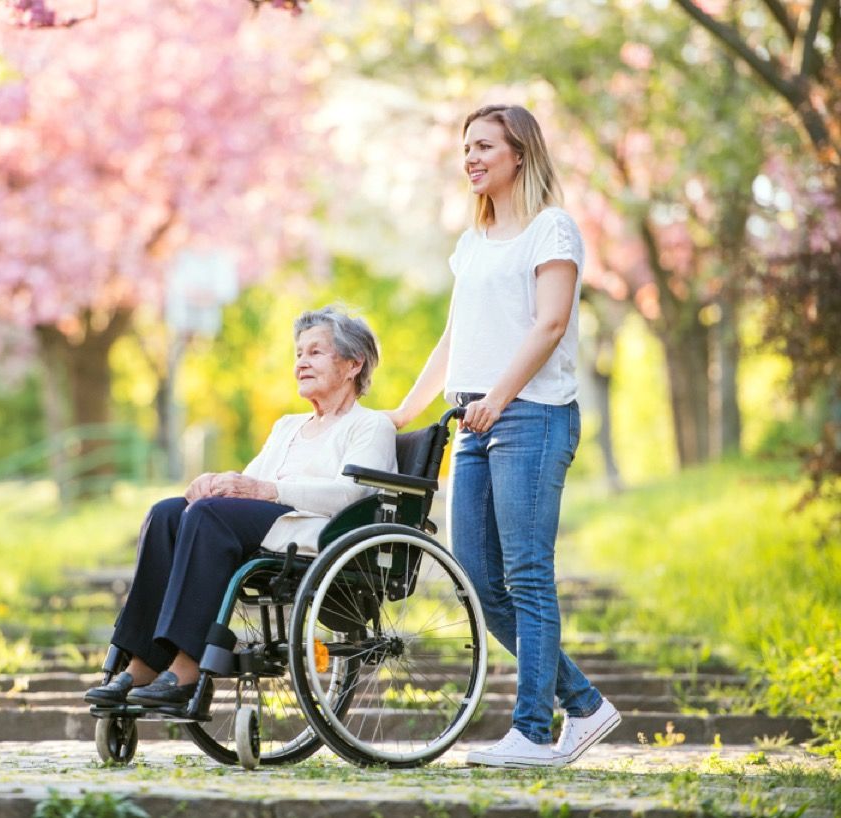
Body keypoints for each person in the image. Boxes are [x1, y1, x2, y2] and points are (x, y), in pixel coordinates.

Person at [388, 104, 620, 768]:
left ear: (520, 153)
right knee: (481, 583)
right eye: (466, 148)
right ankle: (585, 705)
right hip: (474, 422)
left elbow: (548, 327)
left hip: (533, 417)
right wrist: (403, 412)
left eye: (485, 145)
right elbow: (456, 339)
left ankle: (534, 731)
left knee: (525, 574)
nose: (471, 157)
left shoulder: (553, 230)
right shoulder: (472, 244)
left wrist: (498, 396)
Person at [86, 306, 397, 708]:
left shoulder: (370, 426)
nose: (301, 361)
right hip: (269, 526)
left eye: (315, 352)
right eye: (298, 353)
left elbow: (351, 495)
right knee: (168, 512)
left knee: (208, 517)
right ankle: (142, 661)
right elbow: (249, 484)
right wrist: (213, 484)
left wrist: (267, 490)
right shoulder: (287, 426)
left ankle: (187, 668)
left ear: (353, 364)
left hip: (317, 532)